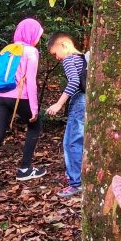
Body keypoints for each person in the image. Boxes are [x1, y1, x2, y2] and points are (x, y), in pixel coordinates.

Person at [0, 18, 46, 193]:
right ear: (32, 34)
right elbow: (30, 81)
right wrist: (35, 108)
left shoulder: (8, 49)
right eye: (38, 34)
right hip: (19, 96)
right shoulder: (31, 51)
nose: (38, 38)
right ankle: (25, 169)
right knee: (35, 125)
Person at [45, 33, 87, 200]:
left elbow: (74, 82)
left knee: (71, 142)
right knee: (81, 140)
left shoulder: (70, 58)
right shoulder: (82, 57)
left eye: (55, 53)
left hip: (79, 101)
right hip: (87, 101)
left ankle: (76, 183)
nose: (57, 58)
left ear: (64, 45)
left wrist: (59, 104)